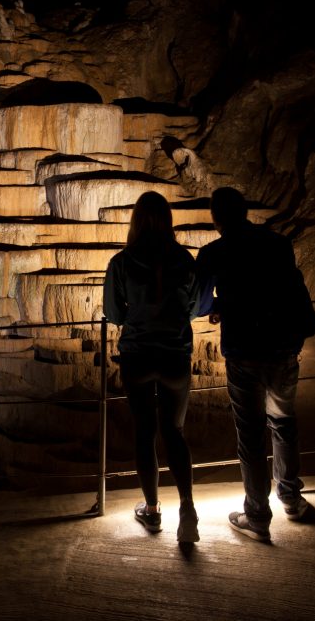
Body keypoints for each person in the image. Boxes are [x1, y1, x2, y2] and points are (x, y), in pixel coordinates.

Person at [195, 187, 315, 542]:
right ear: (245, 211)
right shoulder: (277, 244)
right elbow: (289, 287)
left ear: (216, 217)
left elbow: (200, 304)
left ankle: (258, 514)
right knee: (283, 422)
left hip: (244, 351)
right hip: (282, 348)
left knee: (250, 434)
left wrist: (222, 302)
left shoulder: (214, 252)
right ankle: (292, 498)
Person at [103, 191, 200, 543]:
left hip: (138, 355)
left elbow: (113, 313)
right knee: (174, 431)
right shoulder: (185, 260)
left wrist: (139, 314)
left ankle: (152, 509)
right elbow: (193, 305)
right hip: (175, 354)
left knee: (145, 432)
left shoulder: (123, 262)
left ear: (136, 221)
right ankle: (187, 507)